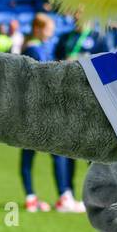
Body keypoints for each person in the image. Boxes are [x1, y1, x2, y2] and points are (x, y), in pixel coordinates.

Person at [18, 14, 84, 213]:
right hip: (41, 109)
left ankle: (32, 198)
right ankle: (64, 197)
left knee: (29, 153)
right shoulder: (35, 49)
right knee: (58, 151)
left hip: (31, 109)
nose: (52, 31)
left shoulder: (35, 47)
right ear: (38, 28)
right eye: (49, 27)